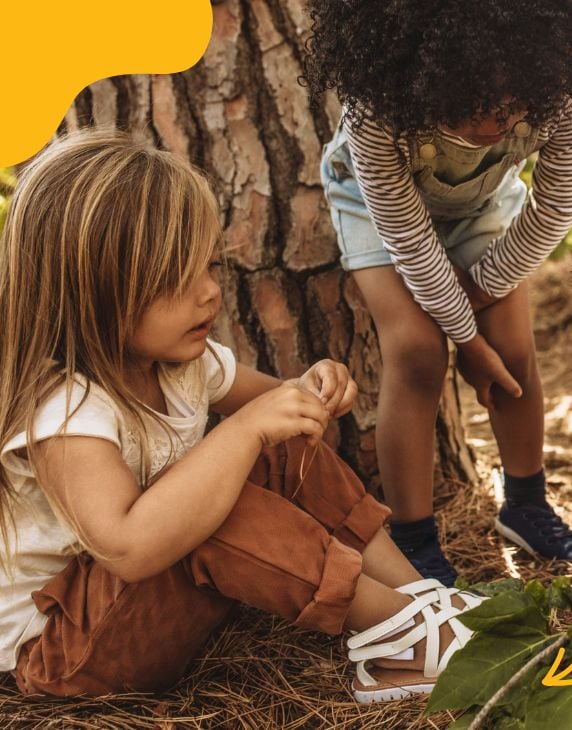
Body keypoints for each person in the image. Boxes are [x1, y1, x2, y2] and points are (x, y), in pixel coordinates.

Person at [0, 130, 481, 702]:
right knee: (218, 501)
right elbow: (129, 548)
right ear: (91, 293)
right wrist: (248, 429)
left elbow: (281, 404)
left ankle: (419, 599)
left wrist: (313, 387)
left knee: (279, 445)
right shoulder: (66, 411)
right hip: (65, 651)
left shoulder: (181, 363)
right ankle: (402, 636)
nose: (209, 294)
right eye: (178, 280)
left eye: (209, 267)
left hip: (135, 610)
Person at [302, 0, 572, 585]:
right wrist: (465, 341)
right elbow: (405, 235)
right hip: (378, 210)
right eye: (464, 109)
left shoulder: (565, 74)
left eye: (509, 110)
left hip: (480, 204)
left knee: (514, 348)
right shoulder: (376, 100)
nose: (490, 128)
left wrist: (478, 303)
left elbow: (555, 206)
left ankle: (527, 507)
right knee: (418, 351)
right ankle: (414, 538)